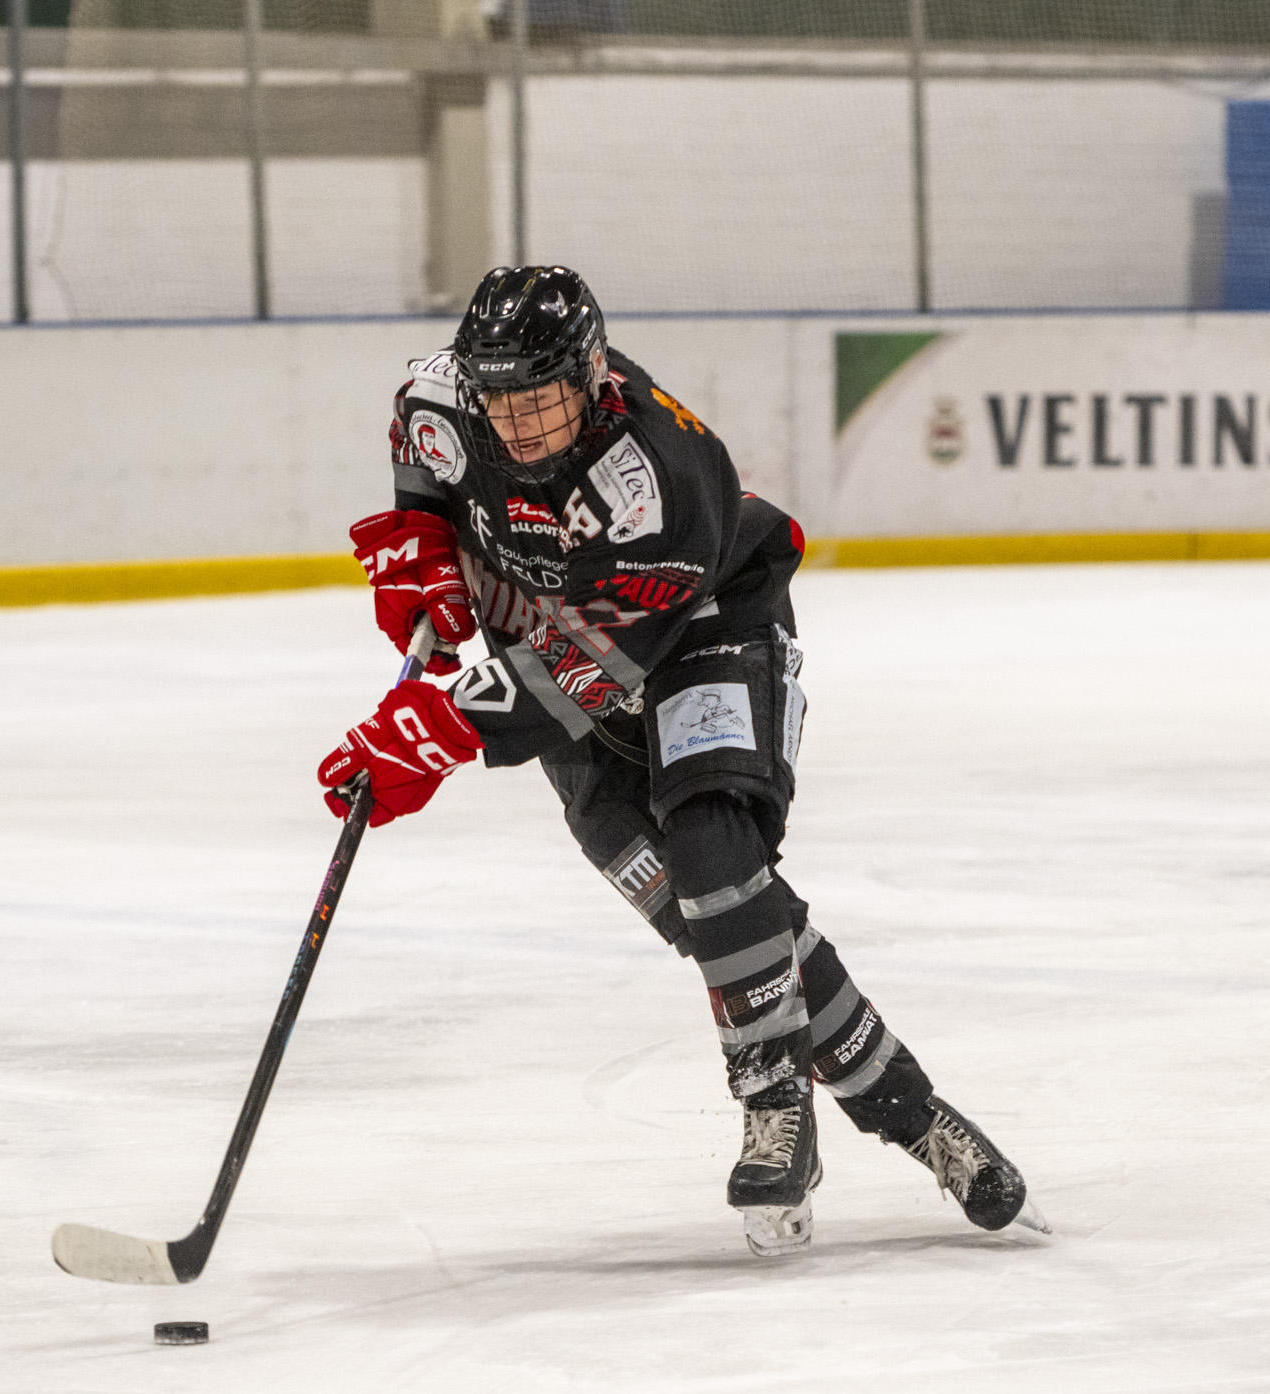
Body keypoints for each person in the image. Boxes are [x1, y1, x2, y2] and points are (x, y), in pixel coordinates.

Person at [314, 266, 1046, 1257]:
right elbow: (419, 453)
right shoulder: (442, 398)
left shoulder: (657, 474)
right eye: (504, 405)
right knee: (710, 918)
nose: (521, 430)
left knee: (712, 849)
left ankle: (774, 1105)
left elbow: (580, 670)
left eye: (542, 403)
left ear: (593, 373)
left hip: (702, 633)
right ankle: (920, 1118)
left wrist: (434, 727)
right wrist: (421, 547)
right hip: (559, 657)